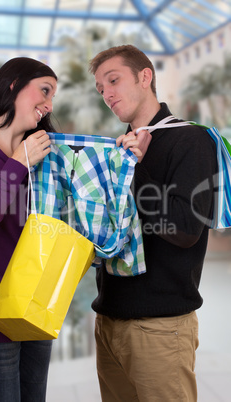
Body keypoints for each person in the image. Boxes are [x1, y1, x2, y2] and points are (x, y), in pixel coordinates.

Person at [89, 44, 217, 401]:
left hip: (159, 327)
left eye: (113, 80)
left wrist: (137, 168)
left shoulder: (190, 139)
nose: (107, 94)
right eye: (101, 89)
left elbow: (185, 228)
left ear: (145, 77)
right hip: (109, 321)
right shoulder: (119, 151)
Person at [0, 57, 58, 402]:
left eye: (53, 97)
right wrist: (18, 162)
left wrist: (126, 155)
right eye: (45, 90)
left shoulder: (46, 148)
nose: (49, 105)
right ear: (14, 84)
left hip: (35, 303)